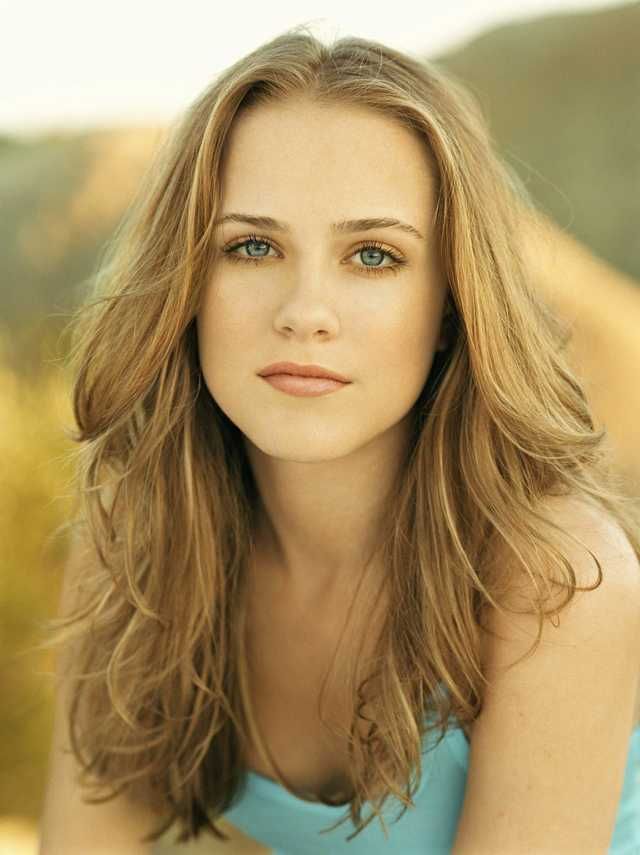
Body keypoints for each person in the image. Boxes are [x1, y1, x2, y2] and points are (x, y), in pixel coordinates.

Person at [38, 25, 640, 854]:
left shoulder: (558, 578)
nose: (304, 310)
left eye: (373, 255)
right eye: (252, 245)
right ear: (186, 284)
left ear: (449, 307)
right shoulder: (134, 533)